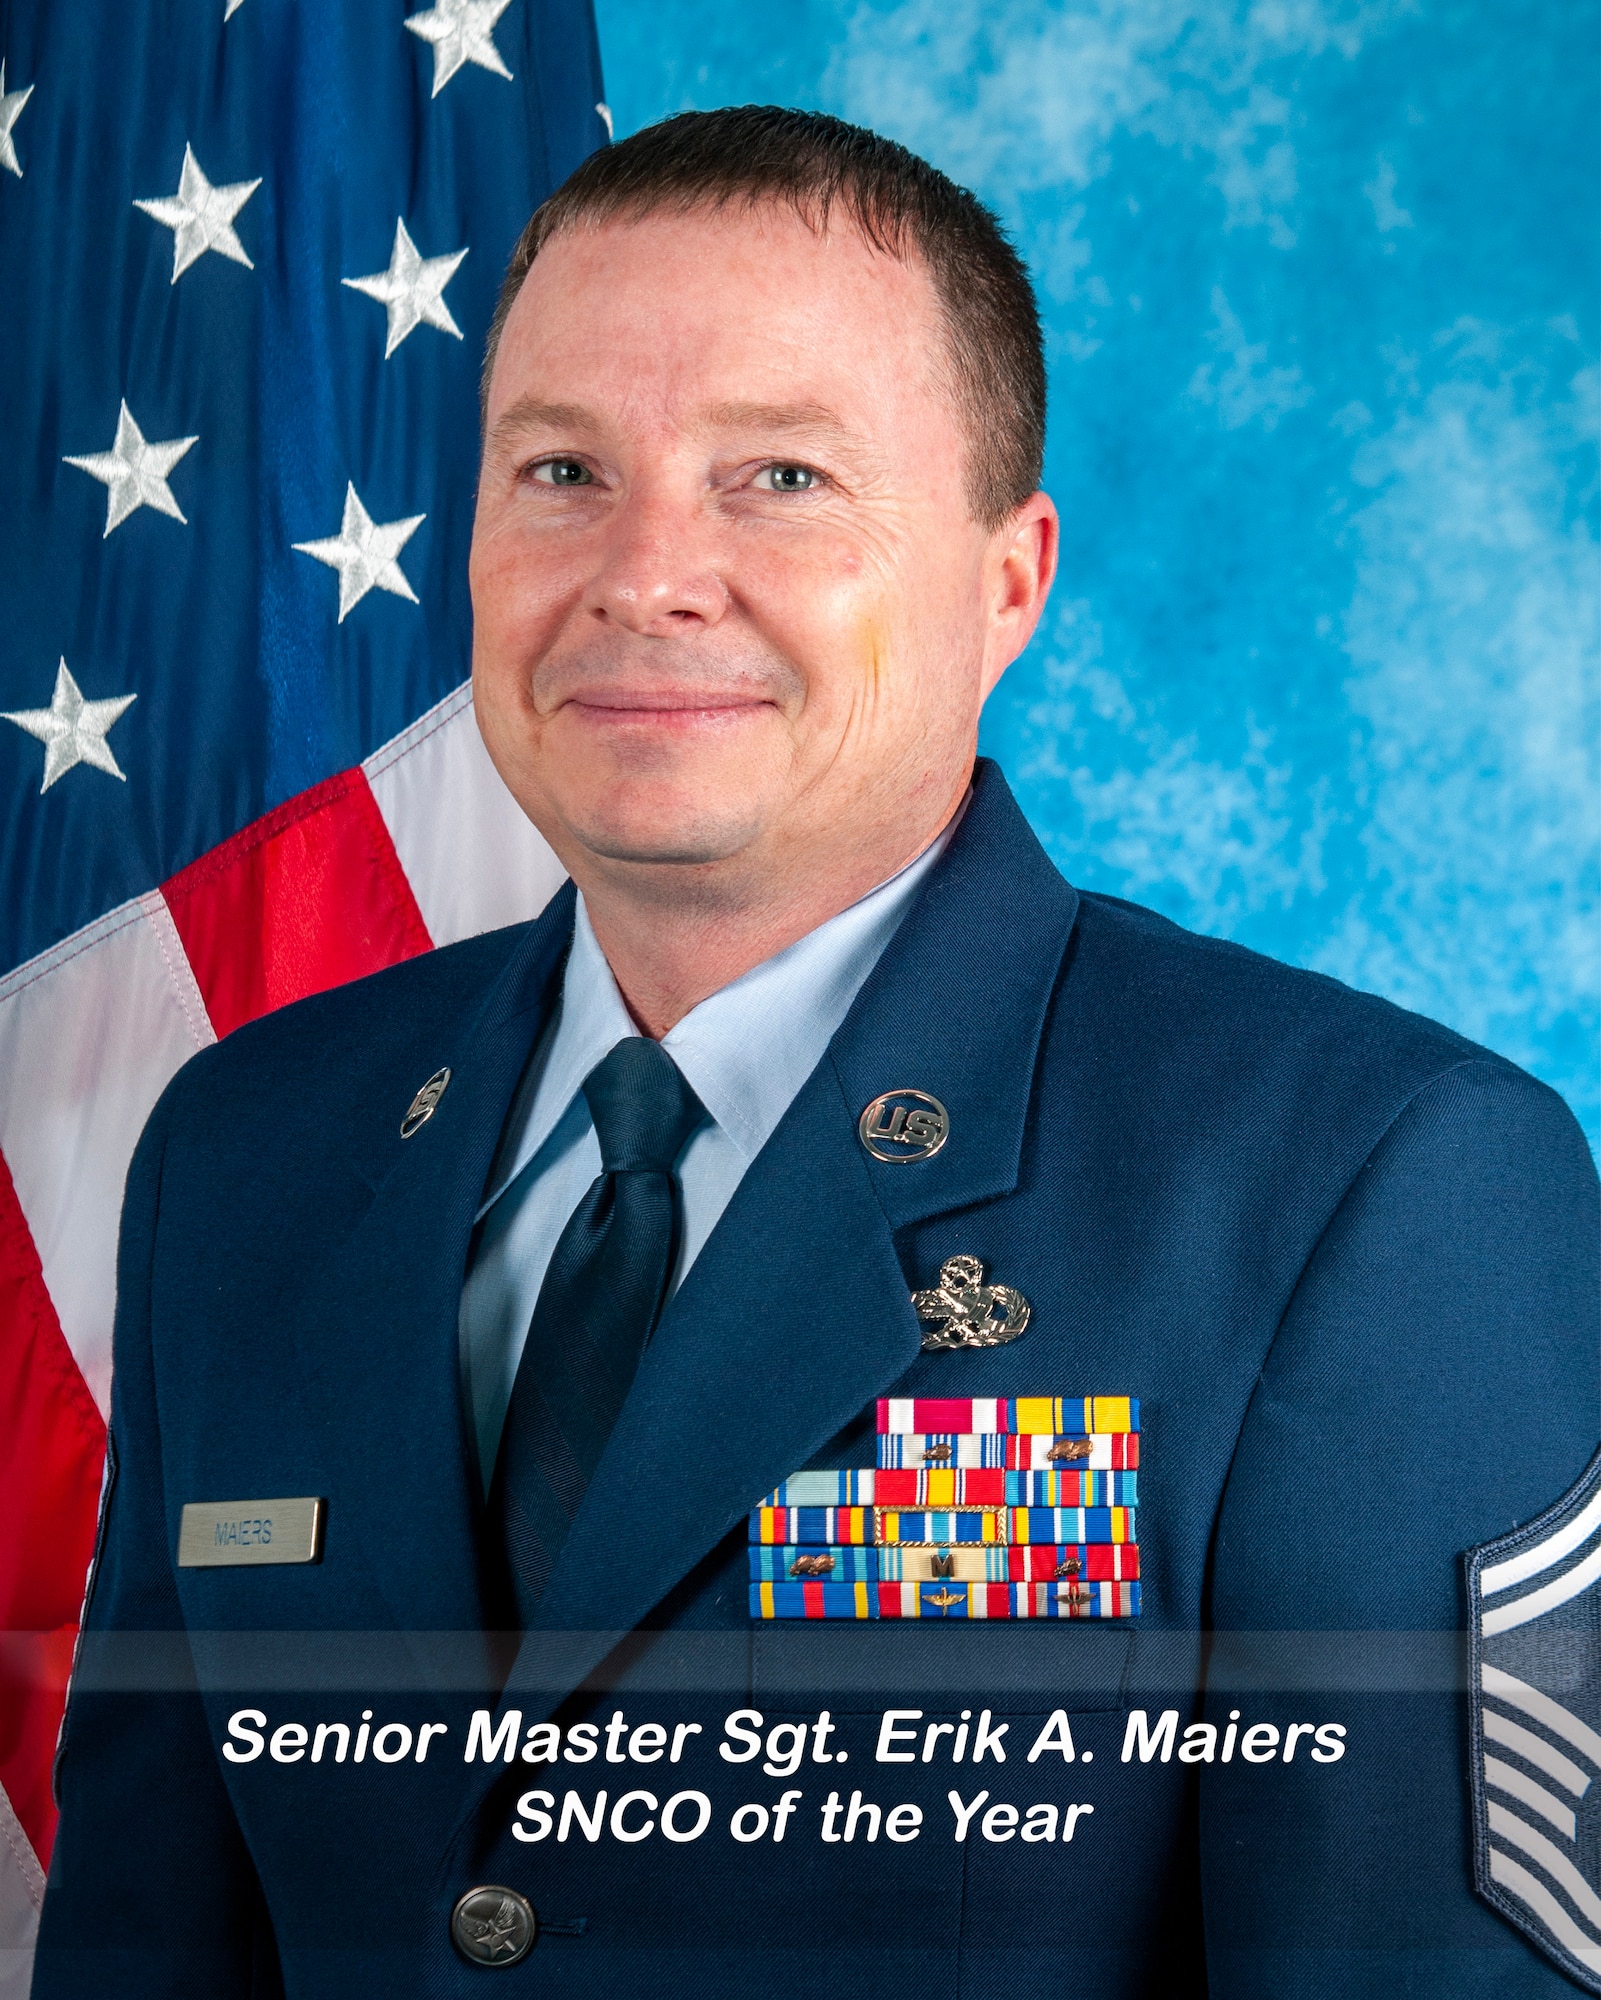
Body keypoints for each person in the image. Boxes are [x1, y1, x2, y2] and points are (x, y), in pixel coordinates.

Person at [34, 107, 1599, 1999]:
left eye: (776, 474)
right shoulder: (251, 1148)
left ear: (1005, 582)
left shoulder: (1373, 1186)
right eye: (558, 470)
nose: (642, 574)